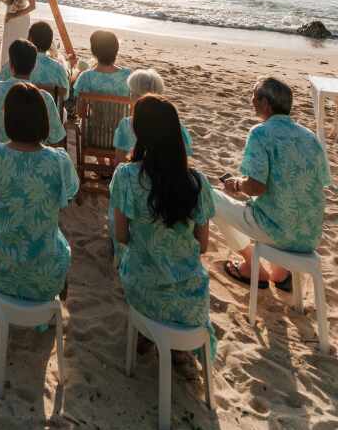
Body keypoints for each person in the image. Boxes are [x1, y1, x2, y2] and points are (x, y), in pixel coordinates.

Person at [110, 95, 216, 361]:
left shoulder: (126, 176)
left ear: (139, 133)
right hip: (192, 298)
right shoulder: (197, 182)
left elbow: (121, 236)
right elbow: (202, 245)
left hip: (143, 288)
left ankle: (147, 334)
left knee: (126, 257)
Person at [214, 77, 330, 289]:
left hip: (276, 230)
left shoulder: (260, 132)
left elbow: (257, 186)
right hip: (309, 235)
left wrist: (238, 185)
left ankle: (251, 266)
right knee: (280, 205)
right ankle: (281, 273)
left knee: (210, 199)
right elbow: (318, 183)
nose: (251, 100)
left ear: (265, 103)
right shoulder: (310, 137)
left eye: (254, 96)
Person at [0, 81, 79, 304]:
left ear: (6, 117)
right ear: (44, 119)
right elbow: (69, 195)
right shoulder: (59, 161)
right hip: (46, 270)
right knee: (59, 245)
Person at [0, 39, 66, 146]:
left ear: (10, 64)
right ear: (34, 66)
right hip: (34, 156)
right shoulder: (45, 98)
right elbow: (56, 137)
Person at [113, 69, 193, 162]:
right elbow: (183, 160)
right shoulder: (176, 126)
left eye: (131, 93)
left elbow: (119, 160)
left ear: (134, 97)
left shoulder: (126, 125)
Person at [0, 21, 70, 101]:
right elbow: (65, 96)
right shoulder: (58, 68)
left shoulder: (16, 62)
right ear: (49, 43)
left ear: (30, 39)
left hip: (14, 110)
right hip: (47, 112)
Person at [72, 29, 131, 97]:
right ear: (116, 50)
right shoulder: (127, 75)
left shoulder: (86, 77)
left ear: (93, 51)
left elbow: (80, 104)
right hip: (120, 108)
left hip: (94, 108)